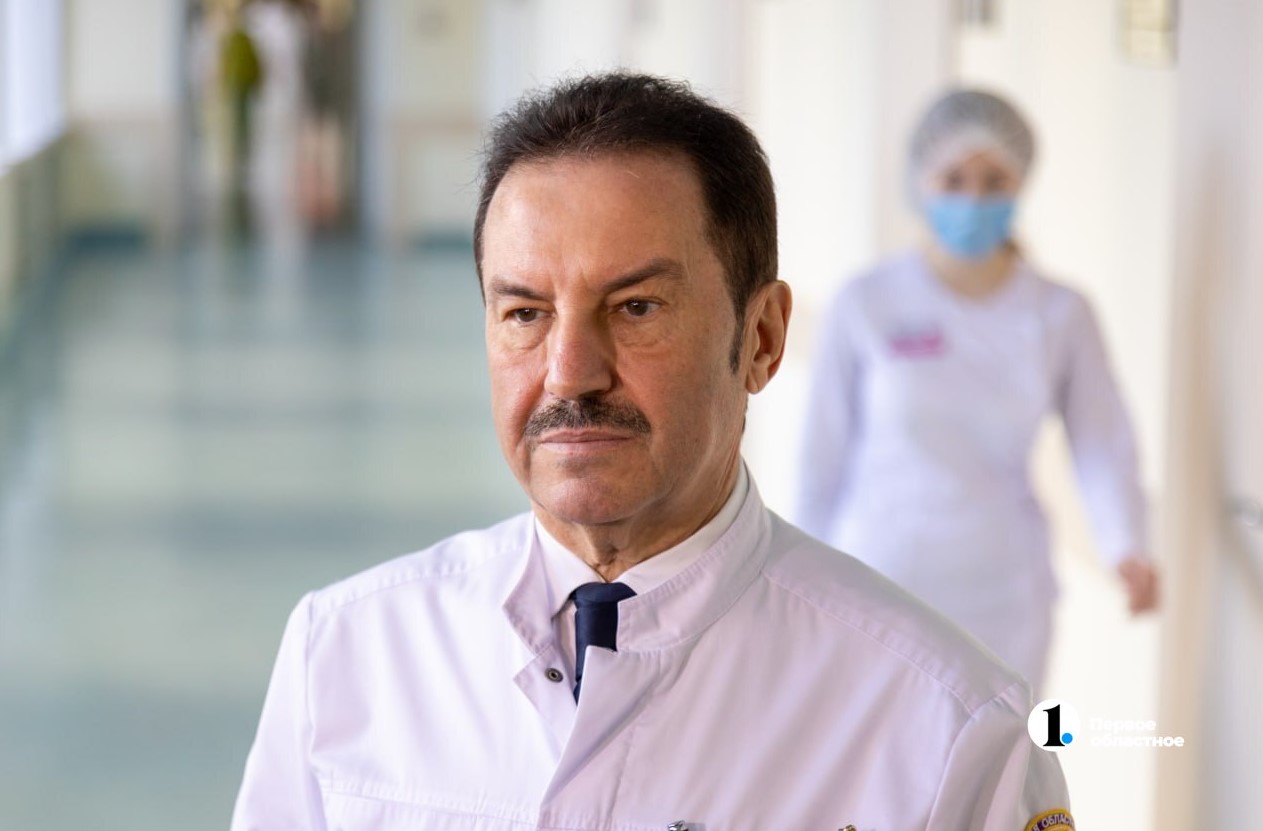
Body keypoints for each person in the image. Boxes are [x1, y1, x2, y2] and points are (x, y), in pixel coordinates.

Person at [232, 73, 1071, 830]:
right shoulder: (344, 654)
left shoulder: (951, 728)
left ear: (761, 338)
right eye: (524, 313)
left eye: (635, 307)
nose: (570, 371)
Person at [793, 88, 1160, 694]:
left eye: (994, 181)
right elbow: (822, 455)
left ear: (1021, 185)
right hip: (881, 576)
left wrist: (1125, 543)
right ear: (920, 182)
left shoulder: (1059, 313)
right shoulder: (867, 302)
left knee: (1001, 742)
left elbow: (1102, 439)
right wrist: (800, 574)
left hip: (1005, 590)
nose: (973, 199)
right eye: (954, 178)